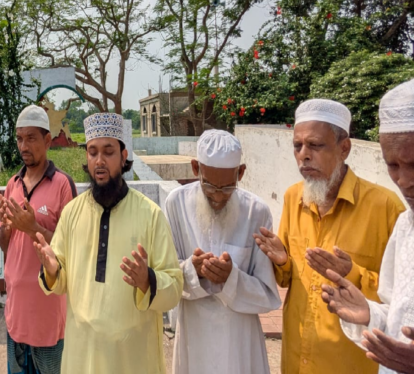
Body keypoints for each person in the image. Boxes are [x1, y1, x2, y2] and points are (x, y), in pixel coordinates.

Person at [254, 99, 406, 374]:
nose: (304, 155)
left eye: (315, 145)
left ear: (344, 147)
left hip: (350, 363)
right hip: (296, 357)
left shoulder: (385, 207)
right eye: (297, 146)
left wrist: (353, 273)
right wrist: (282, 261)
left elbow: (402, 296)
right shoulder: (293, 197)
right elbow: (288, 279)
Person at [34, 112, 183, 374]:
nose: (99, 160)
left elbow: (174, 287)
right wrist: (53, 270)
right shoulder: (72, 213)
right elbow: (60, 283)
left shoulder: (150, 214)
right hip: (84, 354)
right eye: (92, 152)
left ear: (124, 157)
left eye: (108, 151)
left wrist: (147, 280)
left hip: (133, 358)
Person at [166, 129, 281, 374]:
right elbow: (166, 276)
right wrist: (192, 270)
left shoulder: (257, 212)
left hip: (239, 341)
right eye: (209, 186)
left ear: (241, 173)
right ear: (196, 168)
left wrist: (232, 278)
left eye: (228, 188)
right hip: (194, 338)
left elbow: (266, 294)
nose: (218, 196)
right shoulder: (176, 204)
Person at [321, 79, 414, 374]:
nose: (404, 181)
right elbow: (397, 315)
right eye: (393, 166)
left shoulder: (387, 207)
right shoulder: (406, 225)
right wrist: (368, 314)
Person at [0, 105, 76, 374]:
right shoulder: (12, 184)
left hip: (48, 317)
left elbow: (70, 250)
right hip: (16, 314)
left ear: (47, 140)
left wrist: (32, 228)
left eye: (31, 138)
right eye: (19, 138)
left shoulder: (63, 185)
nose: (23, 145)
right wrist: (5, 230)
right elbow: (7, 247)